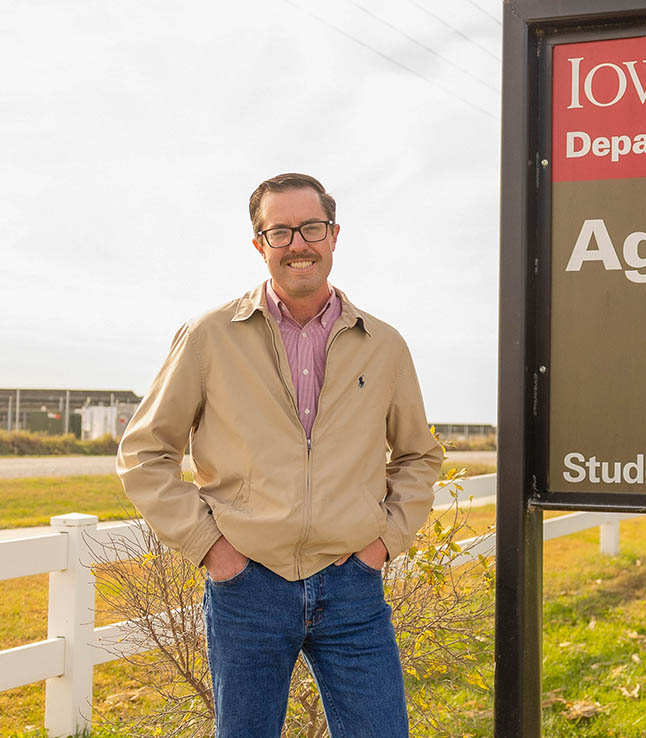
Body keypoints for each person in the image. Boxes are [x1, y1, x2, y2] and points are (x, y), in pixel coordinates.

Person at [117, 172, 443, 737]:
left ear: (335, 235)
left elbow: (418, 455)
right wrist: (213, 550)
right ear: (259, 244)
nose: (298, 244)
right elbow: (144, 452)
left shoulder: (384, 344)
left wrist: (384, 544)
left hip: (352, 586)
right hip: (248, 587)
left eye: (311, 228)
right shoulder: (209, 336)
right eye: (280, 231)